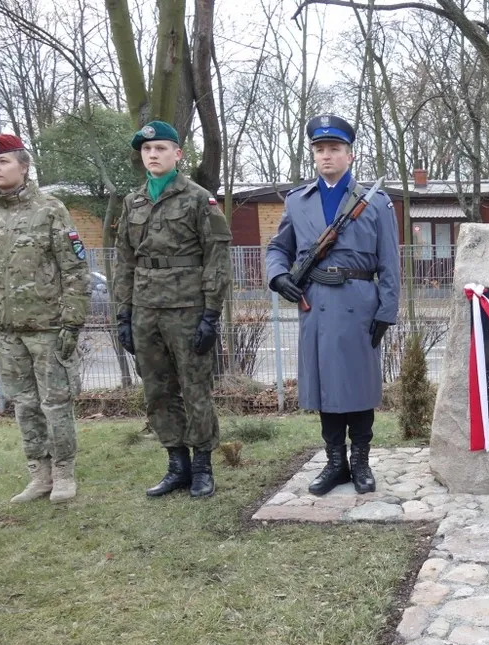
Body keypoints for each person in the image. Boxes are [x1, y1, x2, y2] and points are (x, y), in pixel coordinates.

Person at [265, 115, 400, 495]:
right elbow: (278, 247)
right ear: (314, 154)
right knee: (326, 387)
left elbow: (390, 261)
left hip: (359, 304)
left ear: (349, 154)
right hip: (316, 303)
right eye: (320, 149)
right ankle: (335, 462)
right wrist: (278, 277)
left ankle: (360, 462)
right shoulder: (298, 200)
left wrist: (387, 311)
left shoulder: (375, 203)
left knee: (358, 386)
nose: (327, 155)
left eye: (335, 149)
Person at [0, 133, 89, 503]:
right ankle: (40, 474)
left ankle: (65, 472)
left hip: (47, 326)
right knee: (24, 404)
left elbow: (74, 270)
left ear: (23, 165)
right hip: (2, 328)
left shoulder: (50, 209)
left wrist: (72, 321)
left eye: (2, 162)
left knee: (55, 402)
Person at [113, 120, 232, 499]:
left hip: (187, 308)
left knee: (195, 387)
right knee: (157, 390)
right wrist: (124, 314)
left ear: (177, 154)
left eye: (161, 148)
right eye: (147, 150)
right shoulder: (133, 202)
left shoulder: (199, 199)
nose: (153, 155)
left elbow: (217, 257)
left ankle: (201, 466)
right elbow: (124, 261)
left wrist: (211, 313)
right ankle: (176, 463)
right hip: (146, 308)